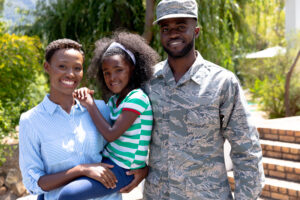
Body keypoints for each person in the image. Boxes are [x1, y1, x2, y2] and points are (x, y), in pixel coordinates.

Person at [143, 0, 265, 199]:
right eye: (166, 28)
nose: (173, 33)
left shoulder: (222, 83)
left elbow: (247, 150)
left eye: (181, 26)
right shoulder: (148, 82)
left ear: (196, 31)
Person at [19, 38, 148, 200]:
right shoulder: (31, 121)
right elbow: (33, 183)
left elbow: (133, 137)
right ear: (47, 67)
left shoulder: (101, 108)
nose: (70, 73)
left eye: (77, 68)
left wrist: (143, 170)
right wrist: (80, 169)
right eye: (62, 66)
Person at [57, 32, 159, 199]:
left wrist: (90, 105)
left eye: (118, 70)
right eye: (106, 72)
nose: (112, 78)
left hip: (123, 169)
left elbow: (111, 134)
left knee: (68, 194)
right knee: (51, 190)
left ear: (132, 69)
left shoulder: (137, 98)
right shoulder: (114, 100)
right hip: (109, 160)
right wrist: (83, 96)